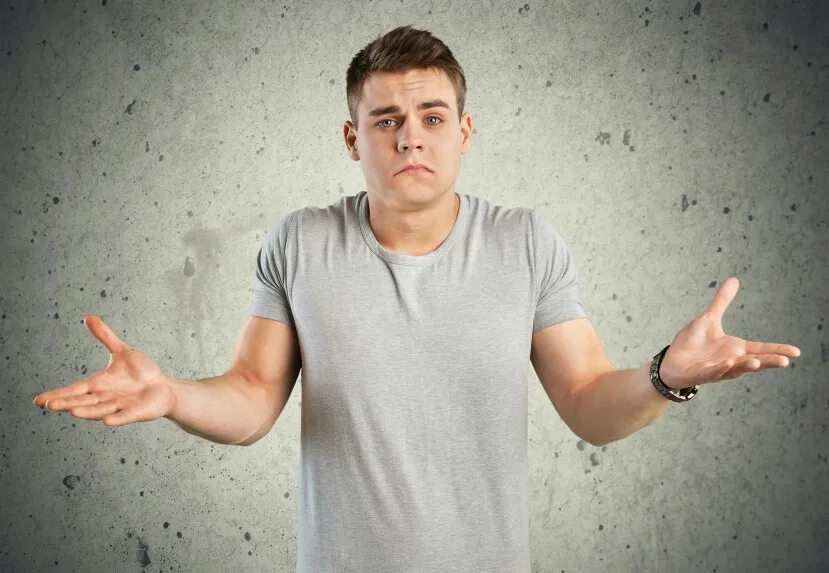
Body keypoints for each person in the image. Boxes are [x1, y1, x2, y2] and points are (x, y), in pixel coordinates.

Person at [32, 24, 801, 573]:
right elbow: (252, 398)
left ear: (463, 131)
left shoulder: (525, 242)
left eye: (432, 118)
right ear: (352, 138)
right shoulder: (300, 242)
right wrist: (171, 393)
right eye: (387, 120)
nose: (410, 138)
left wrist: (666, 374)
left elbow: (587, 404)